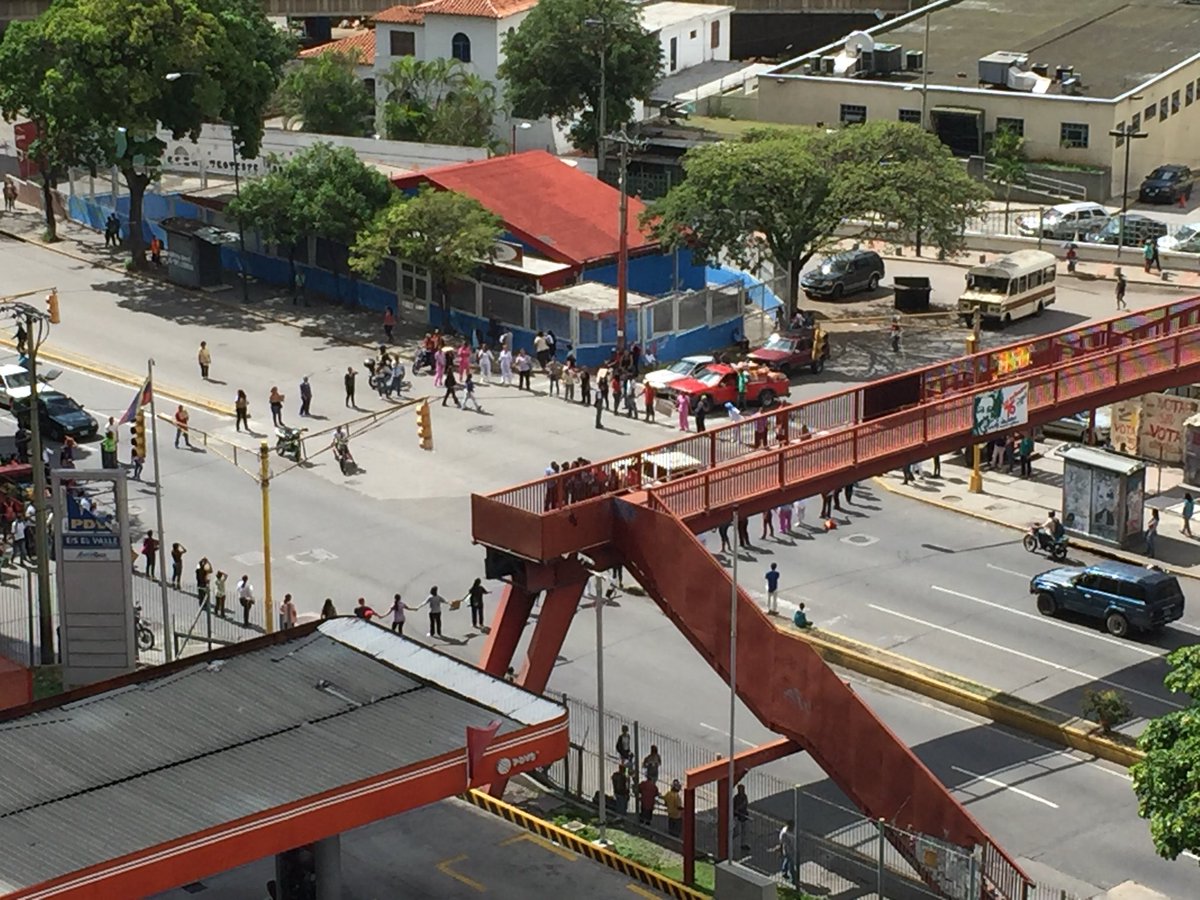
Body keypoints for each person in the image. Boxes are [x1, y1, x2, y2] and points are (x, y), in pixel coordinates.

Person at [778, 820, 798, 885]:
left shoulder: (793, 830)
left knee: (787, 860)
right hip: (788, 850)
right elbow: (782, 842)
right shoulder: (784, 833)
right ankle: (793, 879)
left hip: (792, 849)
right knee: (791, 864)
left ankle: (784, 872)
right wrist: (781, 850)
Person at [733, 784, 750, 852]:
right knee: (737, 831)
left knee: (744, 831)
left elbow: (745, 804)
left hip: (744, 816)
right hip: (738, 816)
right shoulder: (736, 798)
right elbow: (735, 808)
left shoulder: (745, 796)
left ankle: (743, 844)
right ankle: (729, 840)